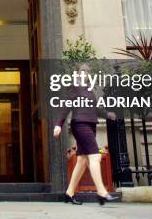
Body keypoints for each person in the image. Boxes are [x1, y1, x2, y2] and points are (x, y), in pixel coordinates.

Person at [53, 63, 119, 205]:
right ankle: (101, 192)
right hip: (80, 124)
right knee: (95, 156)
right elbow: (67, 105)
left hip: (90, 124)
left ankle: (69, 193)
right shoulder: (74, 87)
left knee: (82, 160)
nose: (85, 73)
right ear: (77, 73)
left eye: (88, 71)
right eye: (83, 71)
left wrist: (108, 114)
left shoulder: (89, 89)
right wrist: (58, 124)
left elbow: (95, 108)